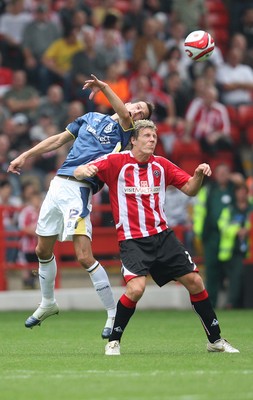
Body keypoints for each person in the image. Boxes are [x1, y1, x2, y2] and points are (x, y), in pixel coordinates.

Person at [74, 119, 239, 356]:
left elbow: (191, 189)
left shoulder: (161, 165)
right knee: (136, 290)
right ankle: (113, 341)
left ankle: (215, 340)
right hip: (133, 240)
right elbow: (80, 170)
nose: (152, 139)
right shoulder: (116, 162)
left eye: (154, 136)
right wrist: (86, 170)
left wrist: (199, 174)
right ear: (133, 139)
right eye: (147, 136)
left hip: (163, 237)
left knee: (195, 282)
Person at [7, 74, 154, 339]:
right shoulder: (90, 118)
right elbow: (58, 140)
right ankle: (48, 303)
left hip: (80, 188)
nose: (136, 110)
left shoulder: (127, 129)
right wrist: (24, 155)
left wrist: (104, 87)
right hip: (58, 184)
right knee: (42, 249)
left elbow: (121, 111)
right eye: (137, 105)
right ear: (130, 102)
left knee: (84, 255)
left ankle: (112, 313)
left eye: (141, 112)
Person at [193, 163, 244, 308]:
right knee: (212, 271)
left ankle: (233, 303)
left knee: (232, 271)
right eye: (220, 173)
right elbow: (199, 211)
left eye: (226, 172)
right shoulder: (208, 191)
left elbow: (244, 198)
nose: (223, 175)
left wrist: (238, 180)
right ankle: (211, 303)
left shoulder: (234, 189)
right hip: (212, 236)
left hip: (230, 238)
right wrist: (199, 233)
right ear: (215, 174)